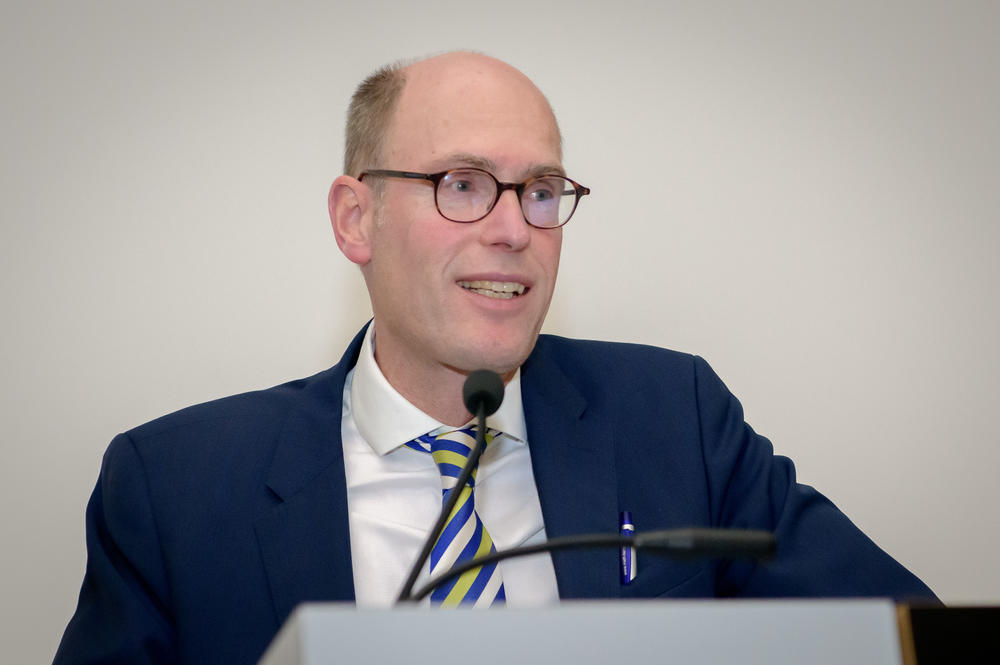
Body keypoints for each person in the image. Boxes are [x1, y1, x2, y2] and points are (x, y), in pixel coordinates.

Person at [54, 51, 936, 665]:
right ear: (356, 219)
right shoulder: (175, 488)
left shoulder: (676, 418)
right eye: (464, 184)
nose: (515, 229)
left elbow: (906, 635)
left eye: (542, 191)